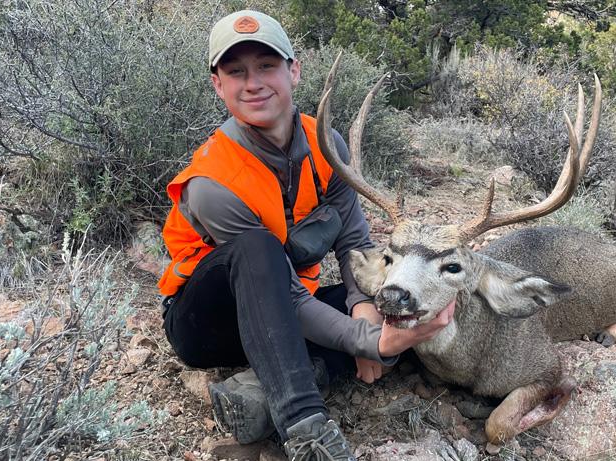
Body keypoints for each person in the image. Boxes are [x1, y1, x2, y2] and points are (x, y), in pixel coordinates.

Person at [157, 10, 454, 460]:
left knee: (405, 305)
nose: (253, 83)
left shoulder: (325, 143)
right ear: (218, 85)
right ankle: (306, 429)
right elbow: (284, 295)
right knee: (258, 249)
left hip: (286, 308)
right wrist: (367, 341)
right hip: (206, 324)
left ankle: (275, 382)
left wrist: (365, 309)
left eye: (266, 66)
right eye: (235, 71)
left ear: (294, 70)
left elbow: (354, 241)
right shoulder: (211, 183)